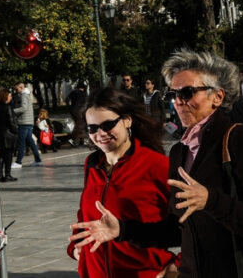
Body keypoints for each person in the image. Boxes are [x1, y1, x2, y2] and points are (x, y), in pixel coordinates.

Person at [70, 49, 243, 278]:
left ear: (217, 96)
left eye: (187, 93)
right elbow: (177, 229)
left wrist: (210, 200)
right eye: (174, 94)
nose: (179, 102)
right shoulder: (180, 151)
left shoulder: (238, 138)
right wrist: (122, 230)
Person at [68, 88, 176, 277]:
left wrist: (178, 265)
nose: (100, 133)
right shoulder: (92, 164)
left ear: (127, 120)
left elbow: (195, 225)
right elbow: (85, 216)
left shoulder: (157, 165)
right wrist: (77, 248)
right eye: (92, 128)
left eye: (108, 124)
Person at [12, 82, 42, 168]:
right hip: (28, 122)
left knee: (21, 143)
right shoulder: (27, 95)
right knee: (31, 142)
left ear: (21, 88)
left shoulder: (24, 95)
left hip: (24, 122)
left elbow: (23, 108)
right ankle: (38, 160)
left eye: (16, 89)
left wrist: (13, 111)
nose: (16, 90)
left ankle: (18, 162)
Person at [0, 89, 18, 182]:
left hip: (0, 134)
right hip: (8, 135)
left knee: (1, 156)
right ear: (5, 97)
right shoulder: (7, 108)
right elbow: (11, 122)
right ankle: (7, 174)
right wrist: (16, 130)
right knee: (8, 155)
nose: (11, 97)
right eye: (10, 96)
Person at [68, 82, 89, 147]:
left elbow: (66, 100)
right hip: (80, 111)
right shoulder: (83, 94)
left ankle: (81, 141)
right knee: (80, 125)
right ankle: (73, 140)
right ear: (82, 88)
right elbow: (86, 103)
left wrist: (70, 107)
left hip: (73, 111)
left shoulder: (72, 92)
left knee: (79, 125)